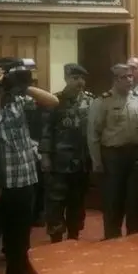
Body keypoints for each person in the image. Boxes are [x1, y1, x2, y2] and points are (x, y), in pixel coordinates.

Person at [0, 69, 59, 274]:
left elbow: (52, 101)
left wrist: (21, 85)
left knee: (18, 249)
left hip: (22, 182)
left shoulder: (19, 100)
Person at [87, 64, 138, 239]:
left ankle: (135, 236)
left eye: (130, 76)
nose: (129, 80)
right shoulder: (103, 102)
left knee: (136, 198)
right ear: (115, 80)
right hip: (113, 155)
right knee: (113, 199)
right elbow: (93, 134)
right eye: (124, 77)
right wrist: (96, 161)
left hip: (136, 153)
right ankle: (112, 237)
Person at [40, 63, 94, 243]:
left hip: (81, 161)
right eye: (75, 78)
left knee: (77, 200)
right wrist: (45, 157)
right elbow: (46, 132)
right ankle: (56, 237)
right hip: (59, 162)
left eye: (82, 78)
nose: (80, 82)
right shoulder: (55, 101)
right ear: (66, 78)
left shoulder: (90, 101)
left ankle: (73, 235)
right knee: (55, 201)